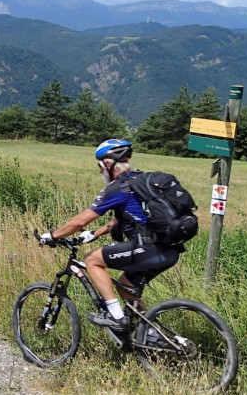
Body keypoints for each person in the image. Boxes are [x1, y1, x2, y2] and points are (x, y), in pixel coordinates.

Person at [39, 139, 182, 331]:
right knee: (124, 286)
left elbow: (81, 221)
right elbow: (126, 219)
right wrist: (94, 234)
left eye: (100, 166)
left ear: (108, 164)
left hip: (148, 248)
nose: (100, 171)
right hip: (169, 250)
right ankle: (149, 337)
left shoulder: (118, 187)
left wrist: (53, 235)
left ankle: (116, 318)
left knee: (91, 260)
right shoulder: (140, 182)